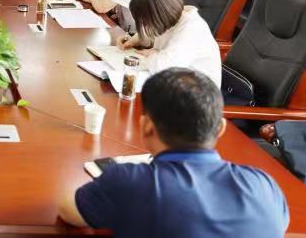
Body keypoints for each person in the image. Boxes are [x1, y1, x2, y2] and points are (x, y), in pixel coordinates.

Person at [58, 68, 289, 238]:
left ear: (146, 127)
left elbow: (68, 211)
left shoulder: (129, 181)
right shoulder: (265, 186)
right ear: (220, 128)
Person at [117, 0, 222, 86]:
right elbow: (155, 34)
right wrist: (134, 40)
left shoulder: (191, 29)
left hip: (199, 90)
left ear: (158, 17)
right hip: (178, 81)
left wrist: (151, 54)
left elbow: (163, 68)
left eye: (146, 22)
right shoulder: (171, 18)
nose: (145, 26)